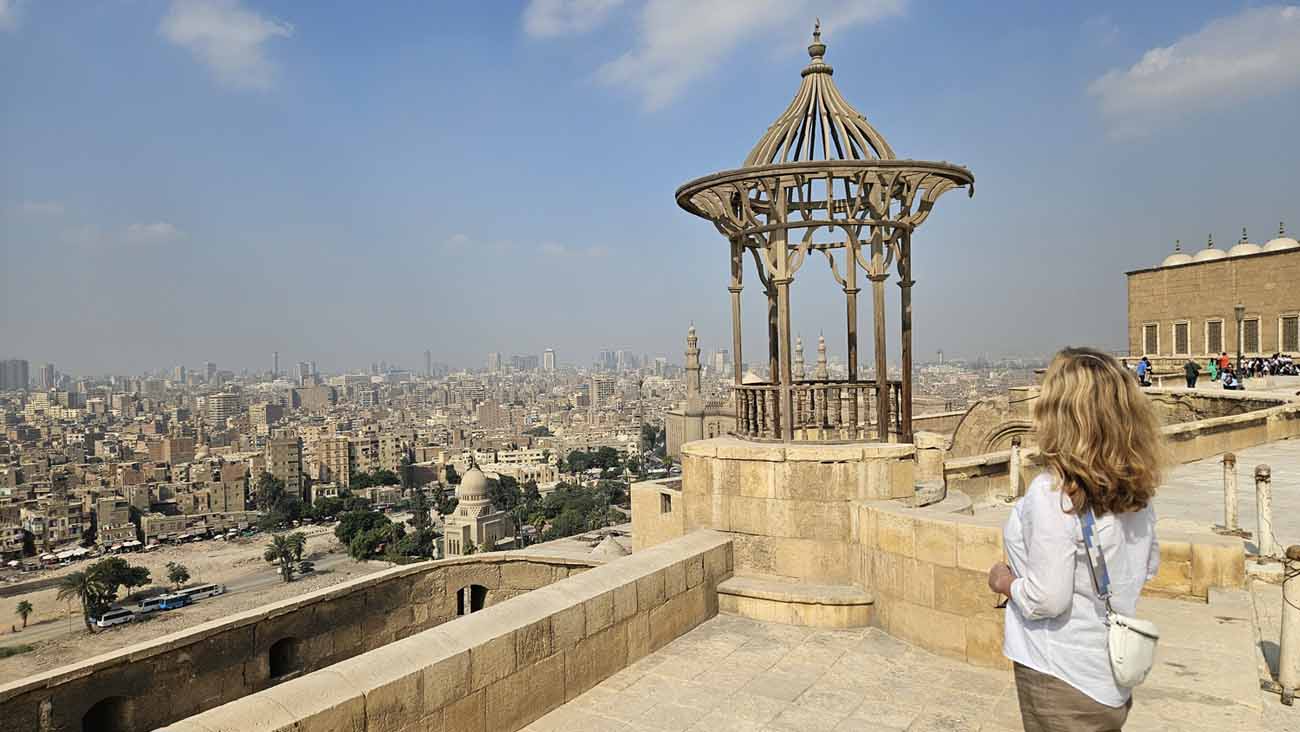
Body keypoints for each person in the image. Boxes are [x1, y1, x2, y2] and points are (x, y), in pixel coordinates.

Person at [988, 348, 1165, 731]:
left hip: (1061, 677)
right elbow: (1147, 567)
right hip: (1111, 679)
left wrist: (1003, 581)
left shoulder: (1053, 494)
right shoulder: (1138, 491)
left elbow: (1047, 598)